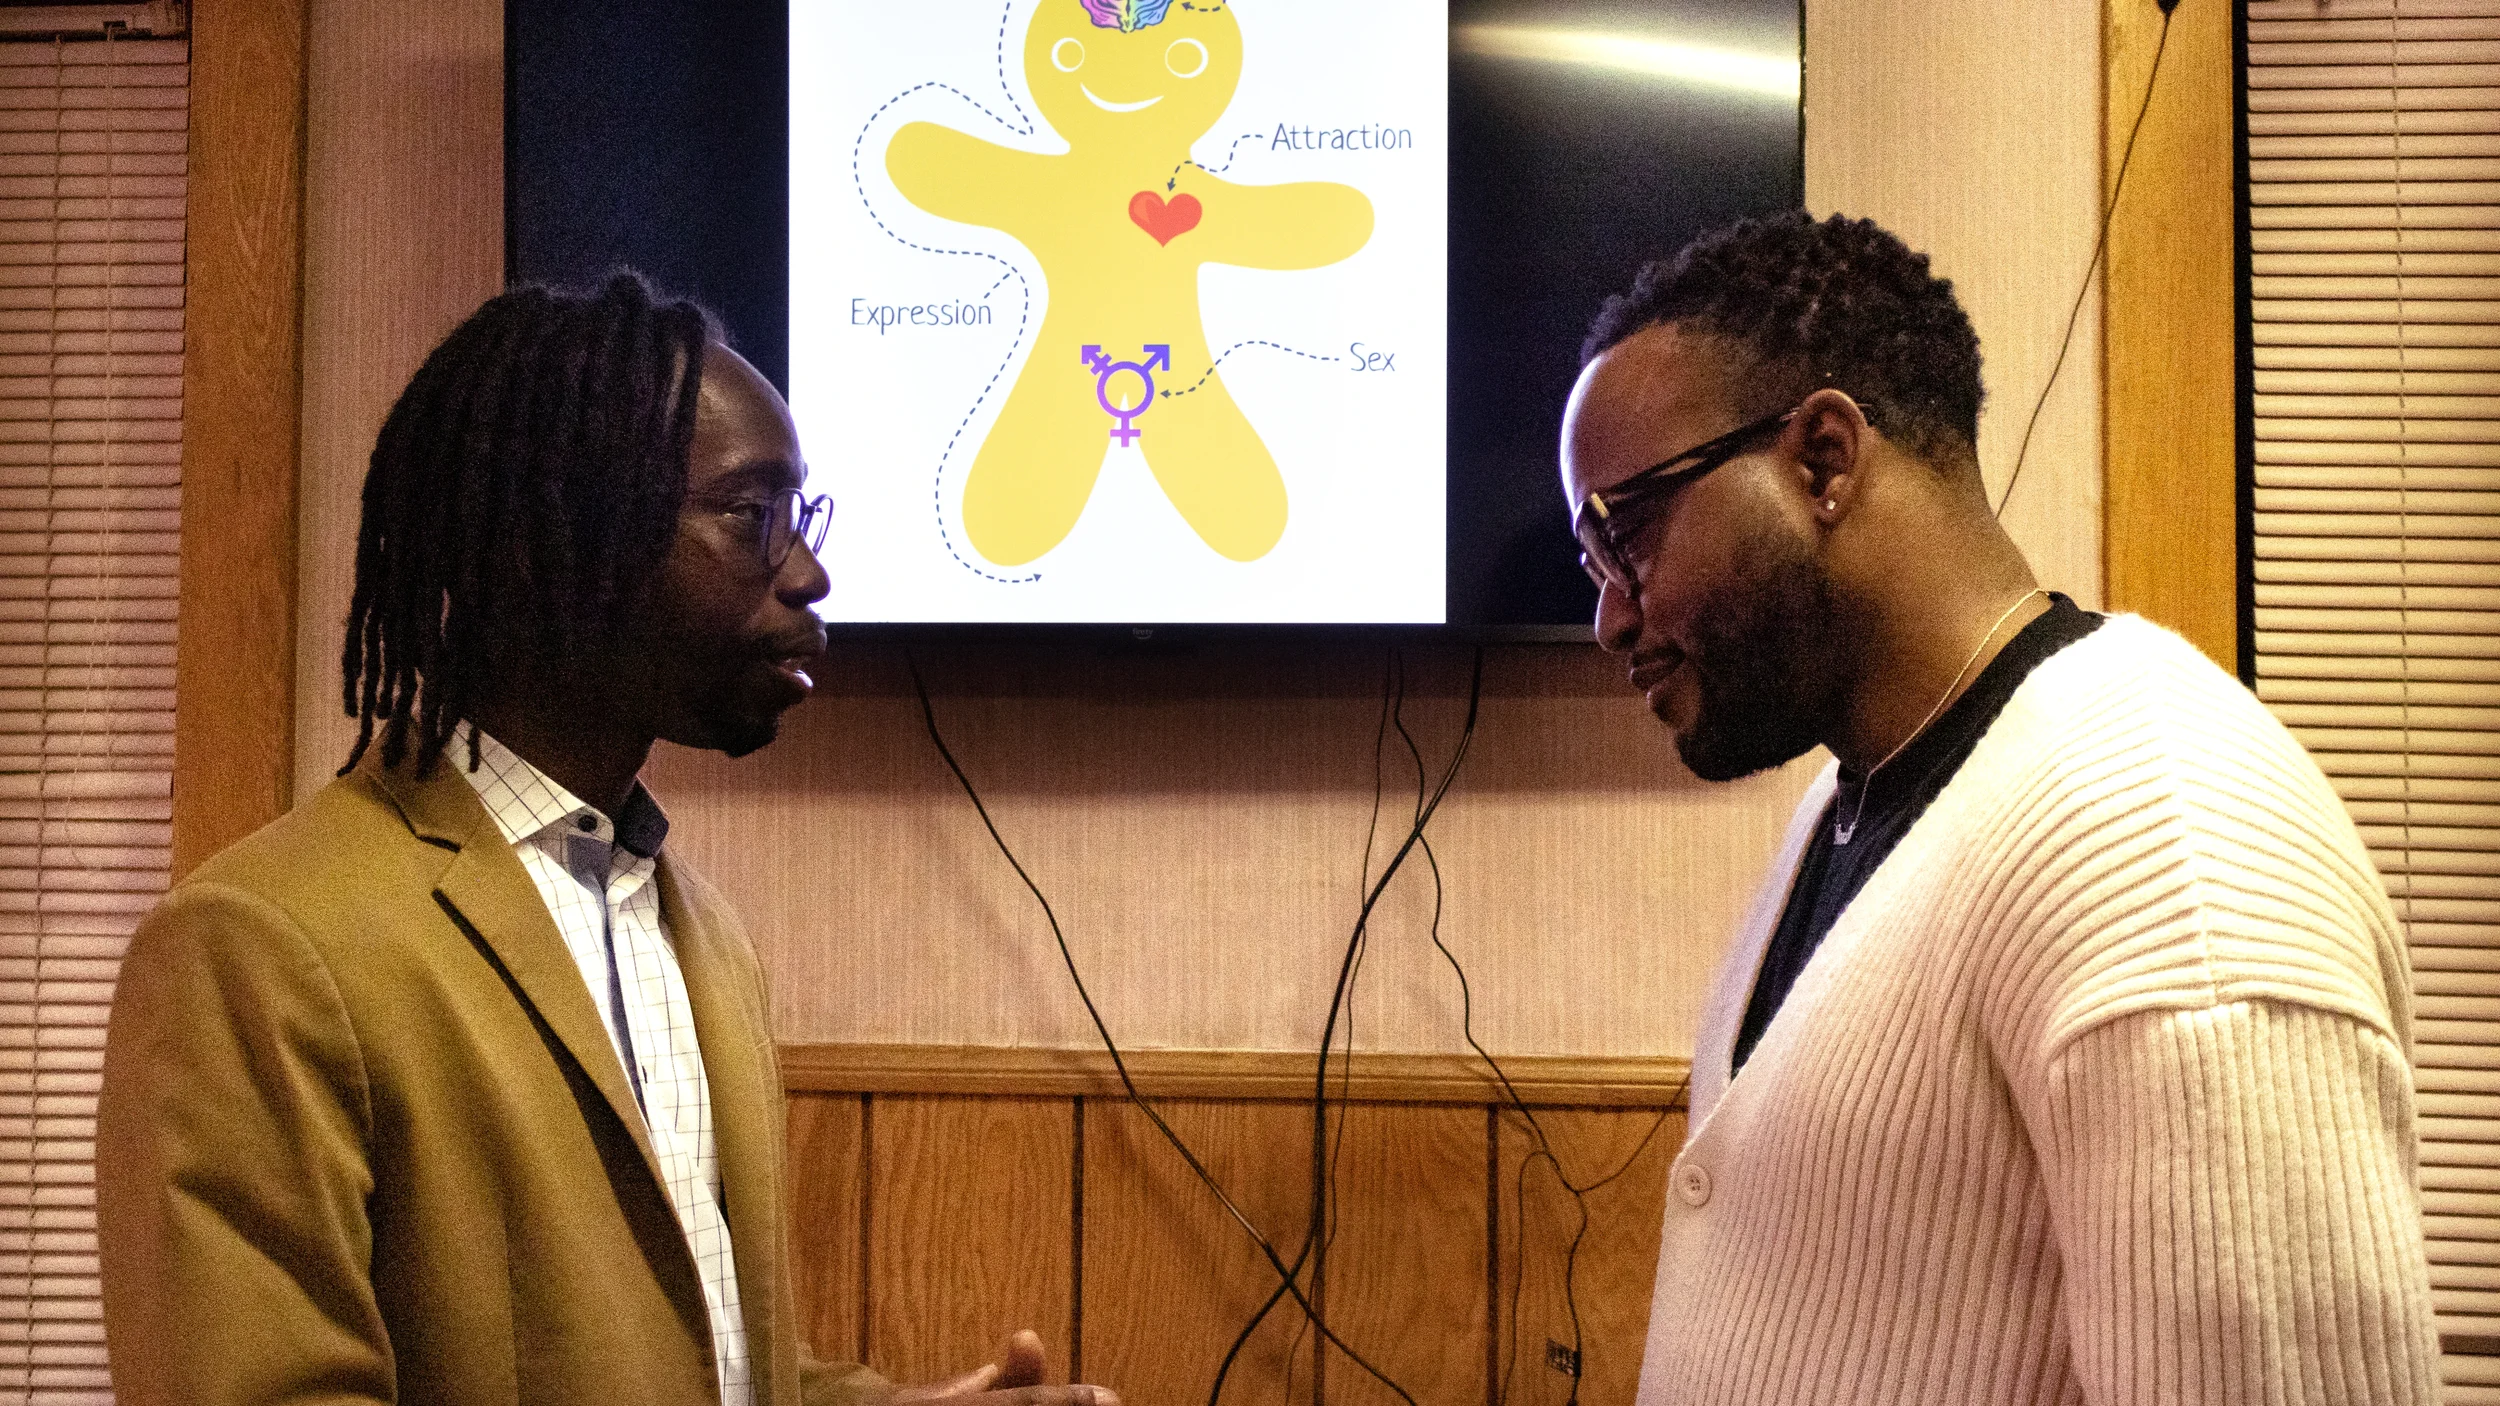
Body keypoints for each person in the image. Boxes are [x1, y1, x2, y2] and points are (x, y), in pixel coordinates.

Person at [97, 274, 1116, 1406]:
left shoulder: (703, 936)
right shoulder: (258, 949)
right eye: (750, 515)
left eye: (801, 517)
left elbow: (710, 1361)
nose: (808, 571)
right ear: (553, 541)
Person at [1559, 212, 2439, 1404]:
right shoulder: (1860, 789)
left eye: (1629, 531)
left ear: (1821, 459)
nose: (1610, 613)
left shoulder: (2165, 844)